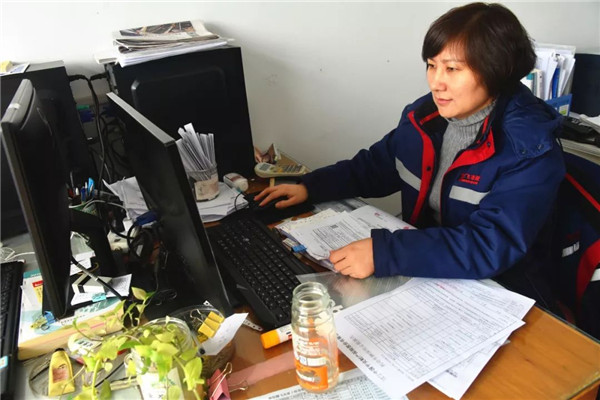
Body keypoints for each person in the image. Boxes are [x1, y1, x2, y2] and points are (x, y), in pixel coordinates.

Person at [255, 3, 565, 311]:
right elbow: (376, 166)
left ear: (496, 71)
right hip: (429, 274)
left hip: (502, 293)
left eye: (452, 69)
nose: (436, 82)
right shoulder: (426, 117)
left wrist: (385, 253)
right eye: (432, 65)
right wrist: (311, 187)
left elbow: (490, 244)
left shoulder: (529, 146)